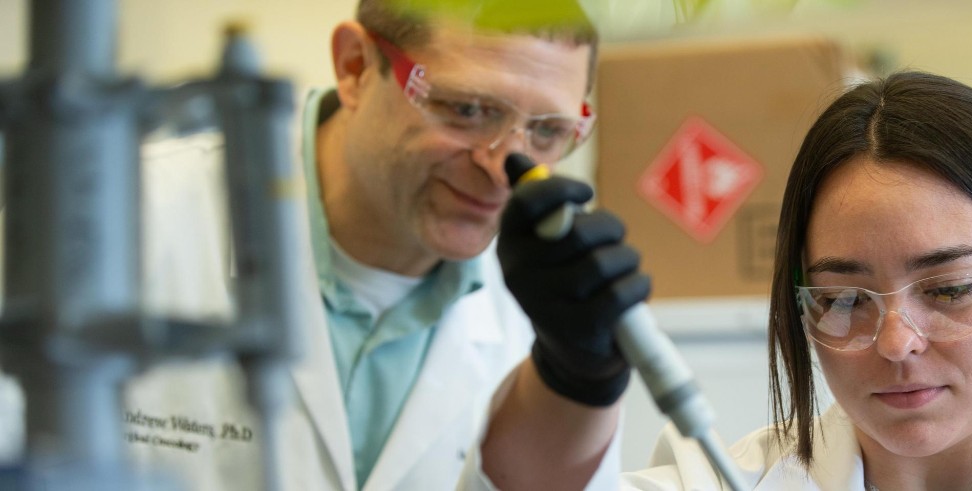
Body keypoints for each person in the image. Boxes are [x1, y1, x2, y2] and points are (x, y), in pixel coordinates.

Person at [0, 1, 648, 490]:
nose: (502, 164)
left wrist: (581, 371)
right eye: (466, 109)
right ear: (356, 68)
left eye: (548, 130)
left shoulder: (548, 299)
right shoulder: (126, 223)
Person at [469, 71, 972, 489]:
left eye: (949, 288)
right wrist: (573, 370)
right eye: (843, 298)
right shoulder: (719, 482)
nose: (895, 342)